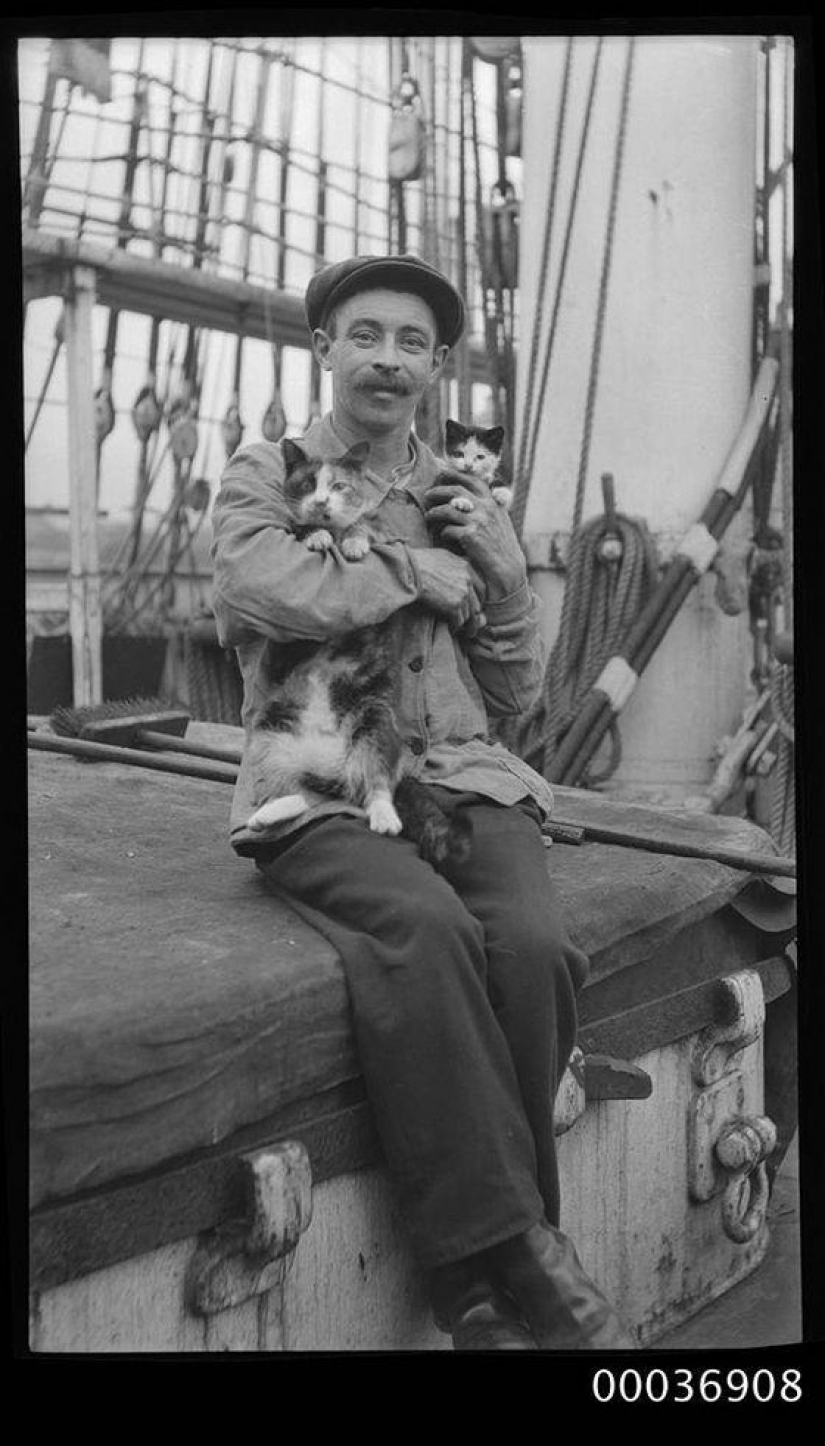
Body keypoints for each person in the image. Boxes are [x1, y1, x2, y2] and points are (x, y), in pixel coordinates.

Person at [211, 253, 635, 1351]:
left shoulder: (463, 498)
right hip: (324, 783)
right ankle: (521, 1264)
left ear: (438, 365)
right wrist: (416, 572)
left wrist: (497, 579)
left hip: (459, 778)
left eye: (411, 343)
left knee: (534, 944)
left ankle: (487, 1284)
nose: (387, 360)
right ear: (325, 348)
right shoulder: (270, 472)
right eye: (366, 335)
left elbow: (516, 695)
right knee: (426, 928)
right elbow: (259, 585)